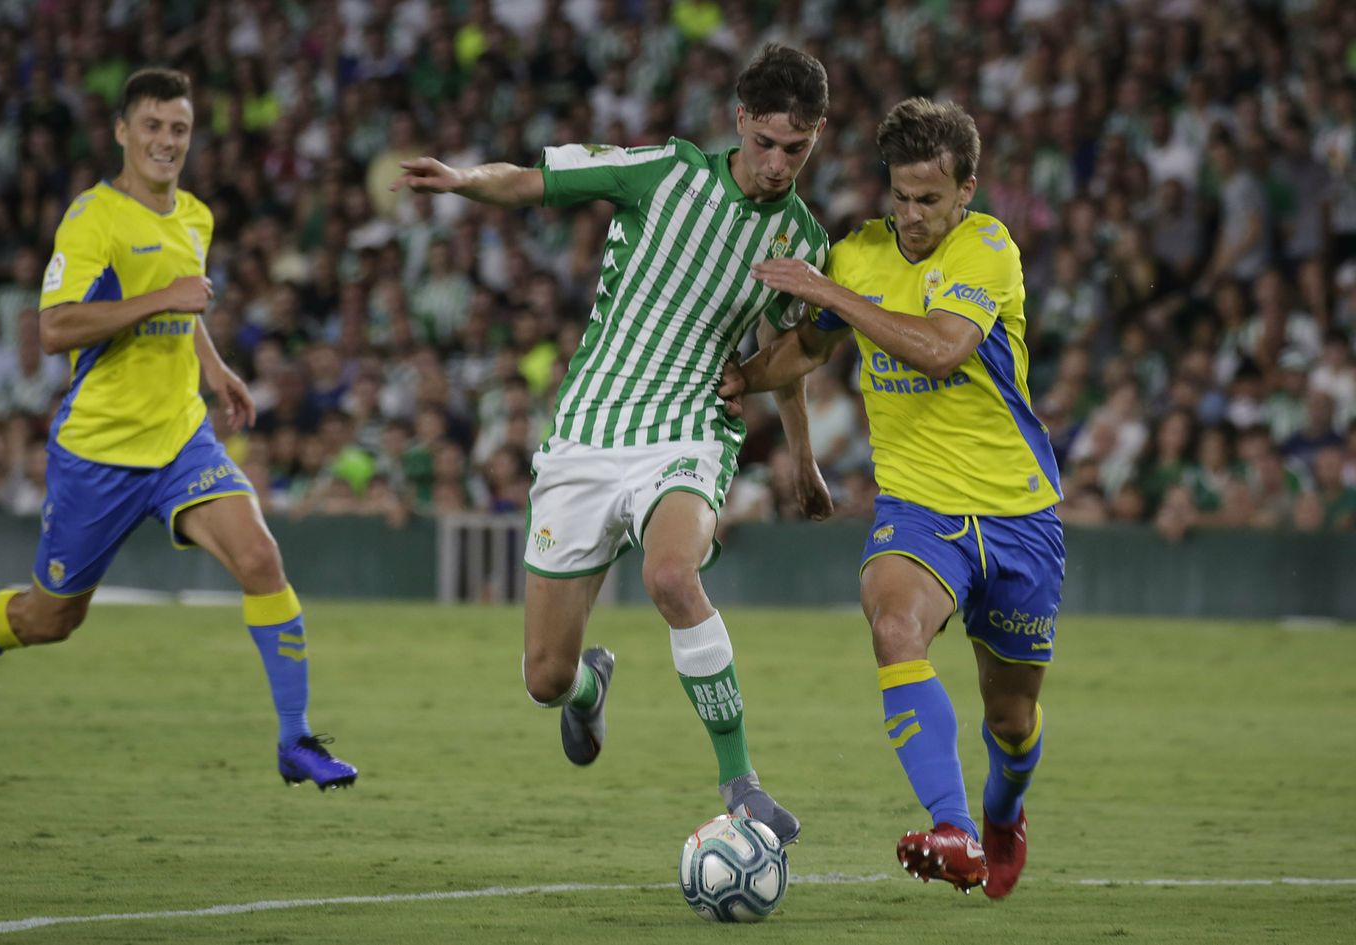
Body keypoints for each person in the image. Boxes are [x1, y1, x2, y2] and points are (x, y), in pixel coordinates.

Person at [393, 43, 833, 844]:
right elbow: (532, 180)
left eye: (795, 149)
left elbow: (788, 353)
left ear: (818, 136)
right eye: (766, 142)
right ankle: (589, 687)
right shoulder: (663, 172)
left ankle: (742, 785)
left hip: (690, 427)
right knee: (544, 677)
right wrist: (462, 180)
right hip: (589, 432)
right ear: (740, 121)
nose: (777, 164)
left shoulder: (802, 241)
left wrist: (802, 457)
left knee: (671, 575)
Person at [0, 69, 358, 791]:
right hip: (99, 453)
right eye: (153, 126)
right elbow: (55, 328)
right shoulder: (92, 219)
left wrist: (214, 366)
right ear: (122, 132)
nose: (167, 141)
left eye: (179, 129)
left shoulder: (195, 216)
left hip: (180, 439)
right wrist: (164, 297)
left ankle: (296, 740)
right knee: (49, 619)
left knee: (261, 558)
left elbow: (184, 306)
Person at [726, 97, 1063, 897]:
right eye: (901, 196)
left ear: (966, 190)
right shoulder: (859, 254)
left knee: (1012, 719)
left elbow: (942, 350)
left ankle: (1003, 811)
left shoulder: (988, 248)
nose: (911, 216)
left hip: (1017, 514)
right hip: (917, 508)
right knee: (893, 626)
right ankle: (955, 829)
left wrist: (833, 294)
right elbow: (807, 348)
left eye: (929, 199)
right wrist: (744, 376)